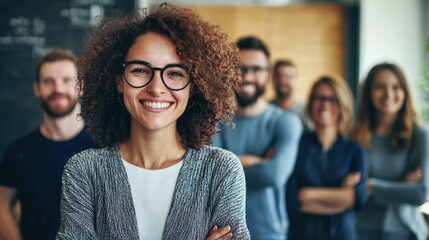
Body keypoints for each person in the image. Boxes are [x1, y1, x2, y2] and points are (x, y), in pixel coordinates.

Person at [56, 4, 250, 240]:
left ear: (193, 87)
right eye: (140, 70)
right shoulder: (84, 171)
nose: (156, 88)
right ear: (119, 81)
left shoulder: (221, 170)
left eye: (175, 73)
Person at [0, 49, 96, 240]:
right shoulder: (19, 151)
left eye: (66, 80)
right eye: (48, 81)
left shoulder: (103, 145)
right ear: (37, 89)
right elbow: (1, 204)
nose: (58, 89)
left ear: (81, 86)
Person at [213, 36, 302, 239]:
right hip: (224, 233)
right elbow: (214, 176)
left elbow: (274, 175)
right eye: (241, 68)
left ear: (268, 74)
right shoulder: (215, 122)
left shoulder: (286, 122)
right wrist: (258, 161)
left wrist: (231, 161)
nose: (248, 76)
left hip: (270, 233)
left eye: (257, 69)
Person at [351, 63, 429, 240]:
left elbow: (421, 193)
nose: (388, 94)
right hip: (360, 229)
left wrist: (372, 186)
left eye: (396, 87)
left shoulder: (419, 136)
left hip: (404, 231)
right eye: (379, 87)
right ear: (368, 92)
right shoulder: (356, 135)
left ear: (405, 92)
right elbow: (351, 189)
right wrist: (401, 184)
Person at [286, 75, 368, 240]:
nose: (325, 105)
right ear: (310, 103)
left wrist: (309, 194)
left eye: (333, 99)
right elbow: (293, 199)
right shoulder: (297, 144)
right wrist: (341, 195)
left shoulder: (355, 151)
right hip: (302, 235)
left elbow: (359, 199)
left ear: (342, 104)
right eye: (319, 98)